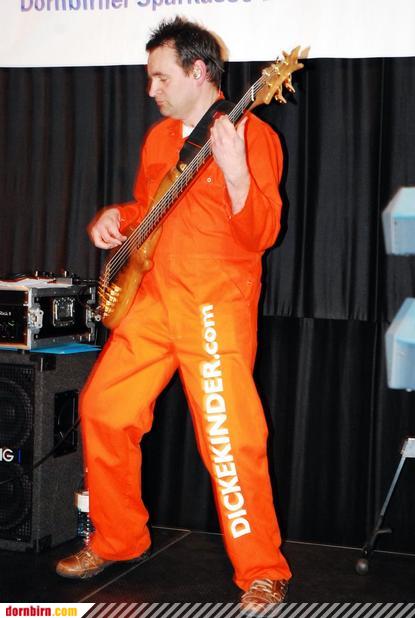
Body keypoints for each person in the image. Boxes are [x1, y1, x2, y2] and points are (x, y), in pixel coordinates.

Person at [56, 16, 292, 609]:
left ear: (198, 71)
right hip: (154, 300)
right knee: (104, 408)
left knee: (229, 439)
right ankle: (117, 539)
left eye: (161, 77)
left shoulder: (253, 136)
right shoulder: (161, 139)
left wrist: (236, 174)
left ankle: (263, 570)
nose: (151, 89)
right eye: (149, 78)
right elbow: (152, 210)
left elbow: (262, 232)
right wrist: (116, 217)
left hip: (213, 307)